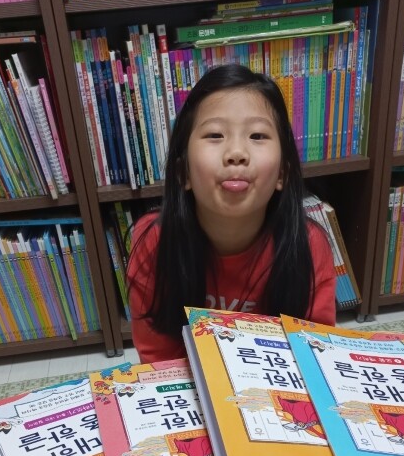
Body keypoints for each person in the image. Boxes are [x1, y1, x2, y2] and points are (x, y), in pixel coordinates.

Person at [127, 63, 336, 363]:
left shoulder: (308, 244)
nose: (237, 153)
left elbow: (316, 355)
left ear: (282, 173)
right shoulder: (154, 241)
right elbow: (159, 359)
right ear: (183, 172)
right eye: (215, 134)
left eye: (257, 136)